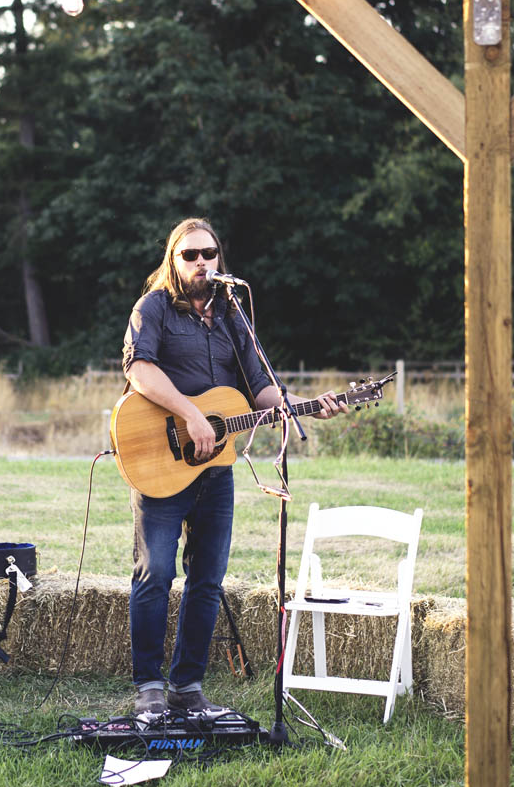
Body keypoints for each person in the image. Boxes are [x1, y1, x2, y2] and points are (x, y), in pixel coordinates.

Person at [121, 216, 347, 716]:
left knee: (208, 579)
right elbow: (139, 368)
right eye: (191, 255)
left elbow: (259, 385)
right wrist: (191, 414)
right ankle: (149, 688)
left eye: (210, 254)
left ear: (220, 258)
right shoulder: (153, 307)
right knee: (155, 573)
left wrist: (301, 403)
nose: (202, 263)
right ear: (173, 260)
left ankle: (187, 685)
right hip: (161, 457)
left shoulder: (232, 313)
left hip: (216, 471)